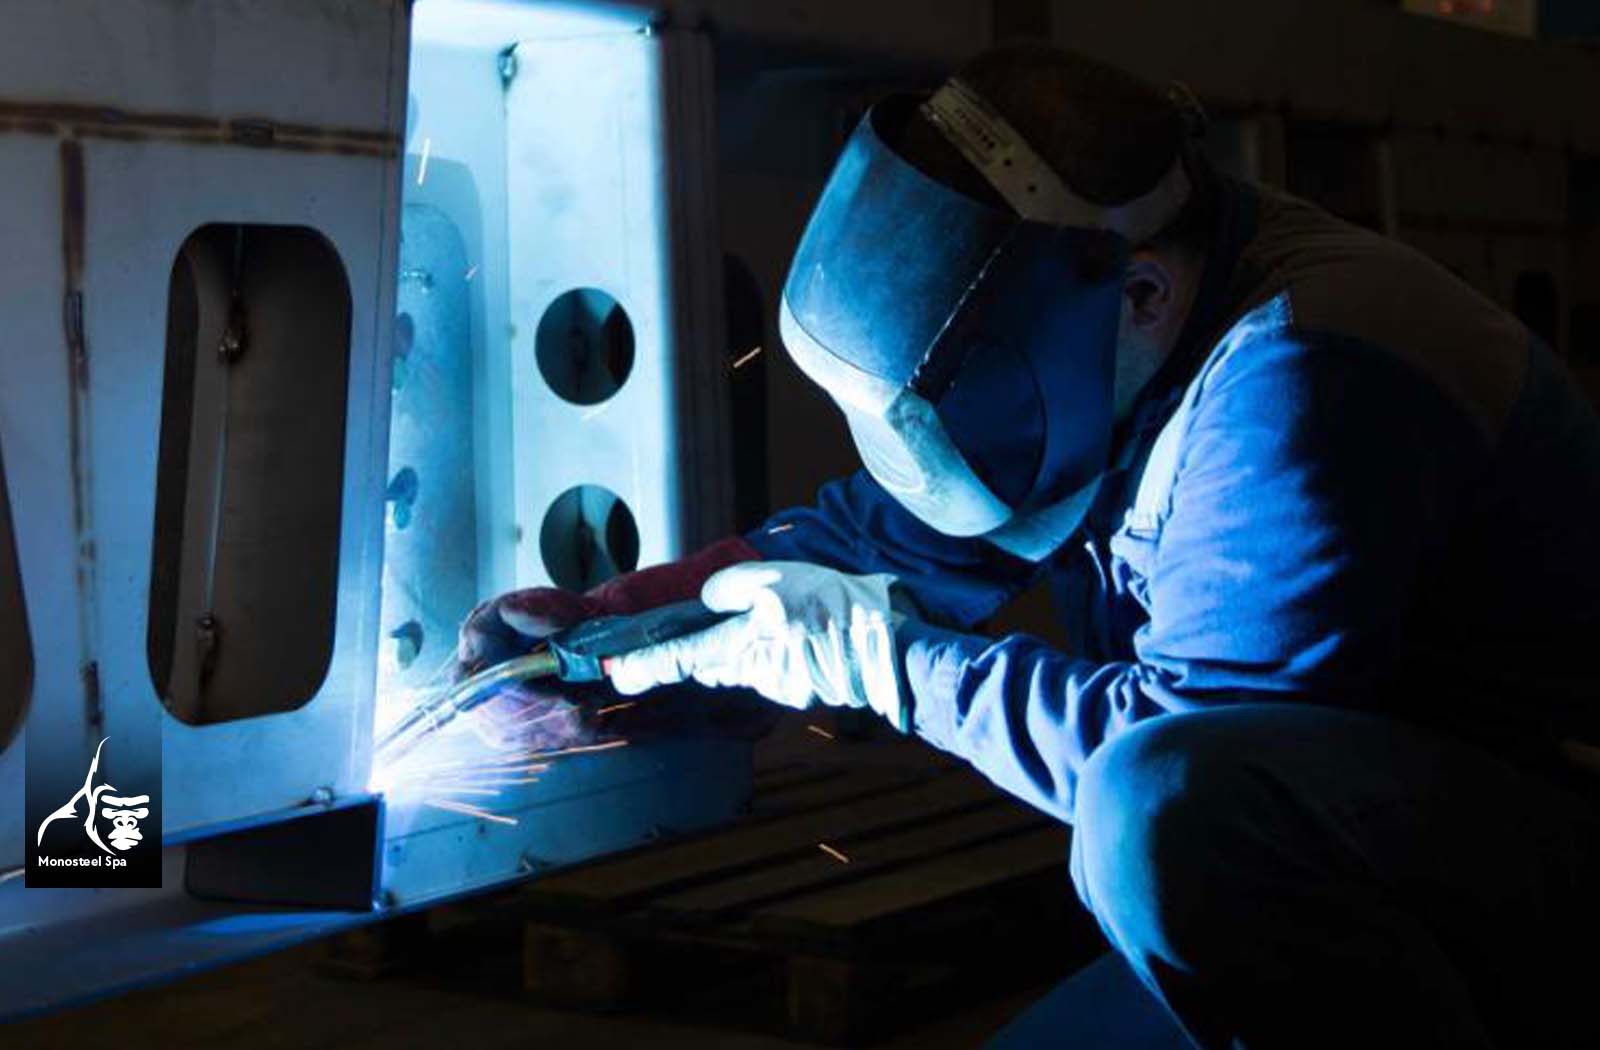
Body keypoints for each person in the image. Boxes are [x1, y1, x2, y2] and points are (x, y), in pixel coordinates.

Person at [457, 44, 1600, 1048]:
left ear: (1137, 292)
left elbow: (1190, 767)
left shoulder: (1301, 376)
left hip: (1534, 873)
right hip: (1362, 879)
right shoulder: (1120, 325)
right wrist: (619, 627)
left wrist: (884, 664)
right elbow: (884, 535)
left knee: (1153, 807)